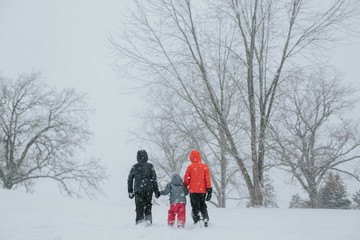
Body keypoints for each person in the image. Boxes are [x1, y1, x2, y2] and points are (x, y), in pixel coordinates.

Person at [128, 149, 160, 225]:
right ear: (146, 157)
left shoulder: (134, 167)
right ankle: (148, 220)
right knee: (148, 204)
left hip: (138, 190)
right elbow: (154, 179)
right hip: (148, 189)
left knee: (139, 206)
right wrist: (156, 190)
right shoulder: (150, 166)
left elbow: (130, 179)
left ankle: (139, 220)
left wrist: (130, 191)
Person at [184, 149, 212, 227]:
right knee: (202, 204)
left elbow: (187, 179)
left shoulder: (190, 167)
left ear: (191, 158)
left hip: (193, 191)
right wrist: (209, 190)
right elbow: (207, 179)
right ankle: (205, 218)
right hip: (202, 191)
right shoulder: (204, 167)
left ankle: (197, 220)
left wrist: (185, 186)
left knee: (195, 206)